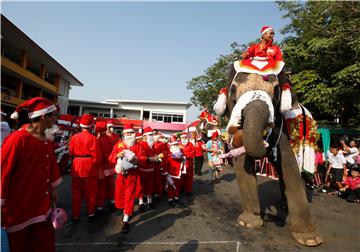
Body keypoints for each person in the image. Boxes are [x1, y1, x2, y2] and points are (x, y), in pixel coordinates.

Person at [1, 97, 62, 252]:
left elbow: (51, 165)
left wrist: (54, 187)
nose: (56, 119)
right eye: (53, 115)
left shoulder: (46, 140)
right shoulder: (17, 140)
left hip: (42, 208)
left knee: (44, 245)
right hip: (18, 209)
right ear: (43, 116)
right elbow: (2, 172)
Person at [108, 124, 147, 233]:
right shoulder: (118, 145)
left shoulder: (138, 146)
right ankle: (125, 210)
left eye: (130, 133)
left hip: (132, 175)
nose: (129, 135)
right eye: (127, 133)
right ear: (124, 134)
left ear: (134, 134)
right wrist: (116, 156)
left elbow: (143, 159)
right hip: (121, 175)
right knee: (120, 195)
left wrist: (137, 160)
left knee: (129, 196)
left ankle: (126, 219)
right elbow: (110, 158)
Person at [69, 114, 102, 223]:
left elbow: (71, 153)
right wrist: (95, 166)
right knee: (91, 193)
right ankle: (91, 213)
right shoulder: (93, 139)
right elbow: (97, 157)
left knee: (76, 193)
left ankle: (75, 216)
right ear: (91, 125)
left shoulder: (74, 137)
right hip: (89, 166)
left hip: (77, 166)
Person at [95, 121, 116, 213]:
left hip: (102, 167)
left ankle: (100, 205)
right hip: (111, 165)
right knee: (111, 184)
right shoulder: (111, 139)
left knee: (102, 187)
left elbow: (98, 156)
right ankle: (112, 201)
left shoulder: (98, 140)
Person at [137, 127, 157, 211]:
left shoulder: (152, 146)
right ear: (144, 136)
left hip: (151, 170)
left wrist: (157, 159)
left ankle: (150, 201)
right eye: (150, 135)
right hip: (142, 170)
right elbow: (139, 157)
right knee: (141, 187)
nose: (151, 136)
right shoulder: (141, 145)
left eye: (152, 135)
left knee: (150, 186)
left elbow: (154, 155)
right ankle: (141, 202)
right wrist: (148, 159)